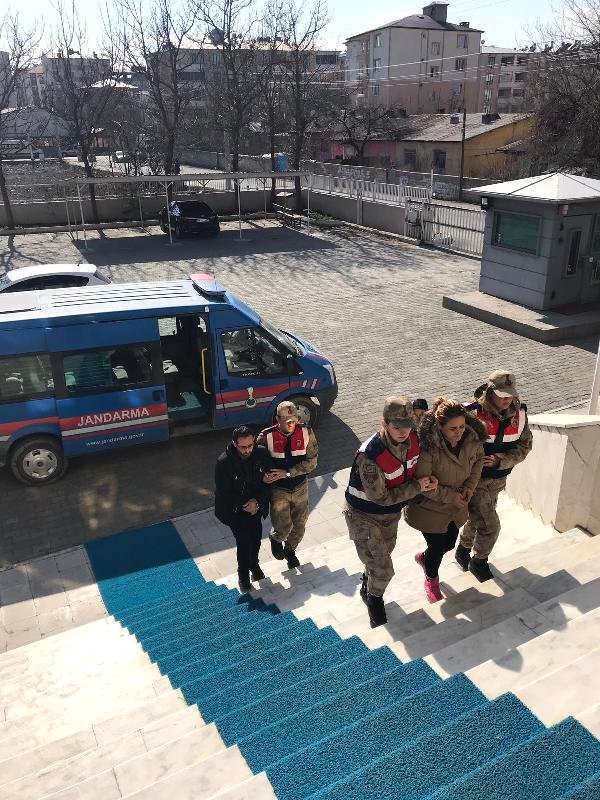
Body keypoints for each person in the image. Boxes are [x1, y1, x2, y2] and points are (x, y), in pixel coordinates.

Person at [344, 396, 438, 628]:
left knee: (382, 556)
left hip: (390, 515)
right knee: (383, 570)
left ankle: (368, 583)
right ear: (384, 424)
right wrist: (418, 487)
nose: (403, 431)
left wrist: (429, 481)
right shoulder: (370, 455)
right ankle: (374, 603)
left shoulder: (414, 438)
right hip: (363, 515)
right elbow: (380, 497)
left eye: (408, 425)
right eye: (397, 427)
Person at [405, 397, 486, 603]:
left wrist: (469, 488)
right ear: (440, 427)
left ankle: (424, 559)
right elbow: (424, 483)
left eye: (462, 426)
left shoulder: (472, 439)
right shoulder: (428, 447)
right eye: (452, 428)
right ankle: (431, 579)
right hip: (429, 508)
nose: (459, 432)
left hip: (456, 507)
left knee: (449, 544)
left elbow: (478, 461)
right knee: (436, 548)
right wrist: (452, 496)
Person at [456, 370, 533, 582]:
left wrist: (501, 460)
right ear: (490, 392)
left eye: (510, 394)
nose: (507, 399)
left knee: (479, 517)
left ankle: (463, 550)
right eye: (502, 395)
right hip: (475, 481)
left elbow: (525, 446)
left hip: (498, 480)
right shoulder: (470, 414)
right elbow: (454, 445)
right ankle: (479, 561)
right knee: (490, 526)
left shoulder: (520, 415)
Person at [258, 400, 318, 569]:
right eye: (286, 421)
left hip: (300, 487)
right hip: (278, 490)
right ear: (277, 419)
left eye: (294, 419)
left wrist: (288, 472)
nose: (291, 424)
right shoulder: (266, 436)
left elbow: (312, 462)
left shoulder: (306, 432)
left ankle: (290, 551)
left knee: (300, 525)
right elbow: (255, 464)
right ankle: (276, 538)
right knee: (283, 526)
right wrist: (263, 476)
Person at [214, 425, 271, 593]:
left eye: (250, 445)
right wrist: (247, 503)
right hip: (234, 510)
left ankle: (254, 565)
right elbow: (223, 493)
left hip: (255, 507)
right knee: (244, 541)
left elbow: (269, 481)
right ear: (235, 444)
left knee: (256, 539)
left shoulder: (261, 454)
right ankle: (243, 575)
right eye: (243, 447)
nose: (247, 450)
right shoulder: (224, 462)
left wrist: (257, 502)